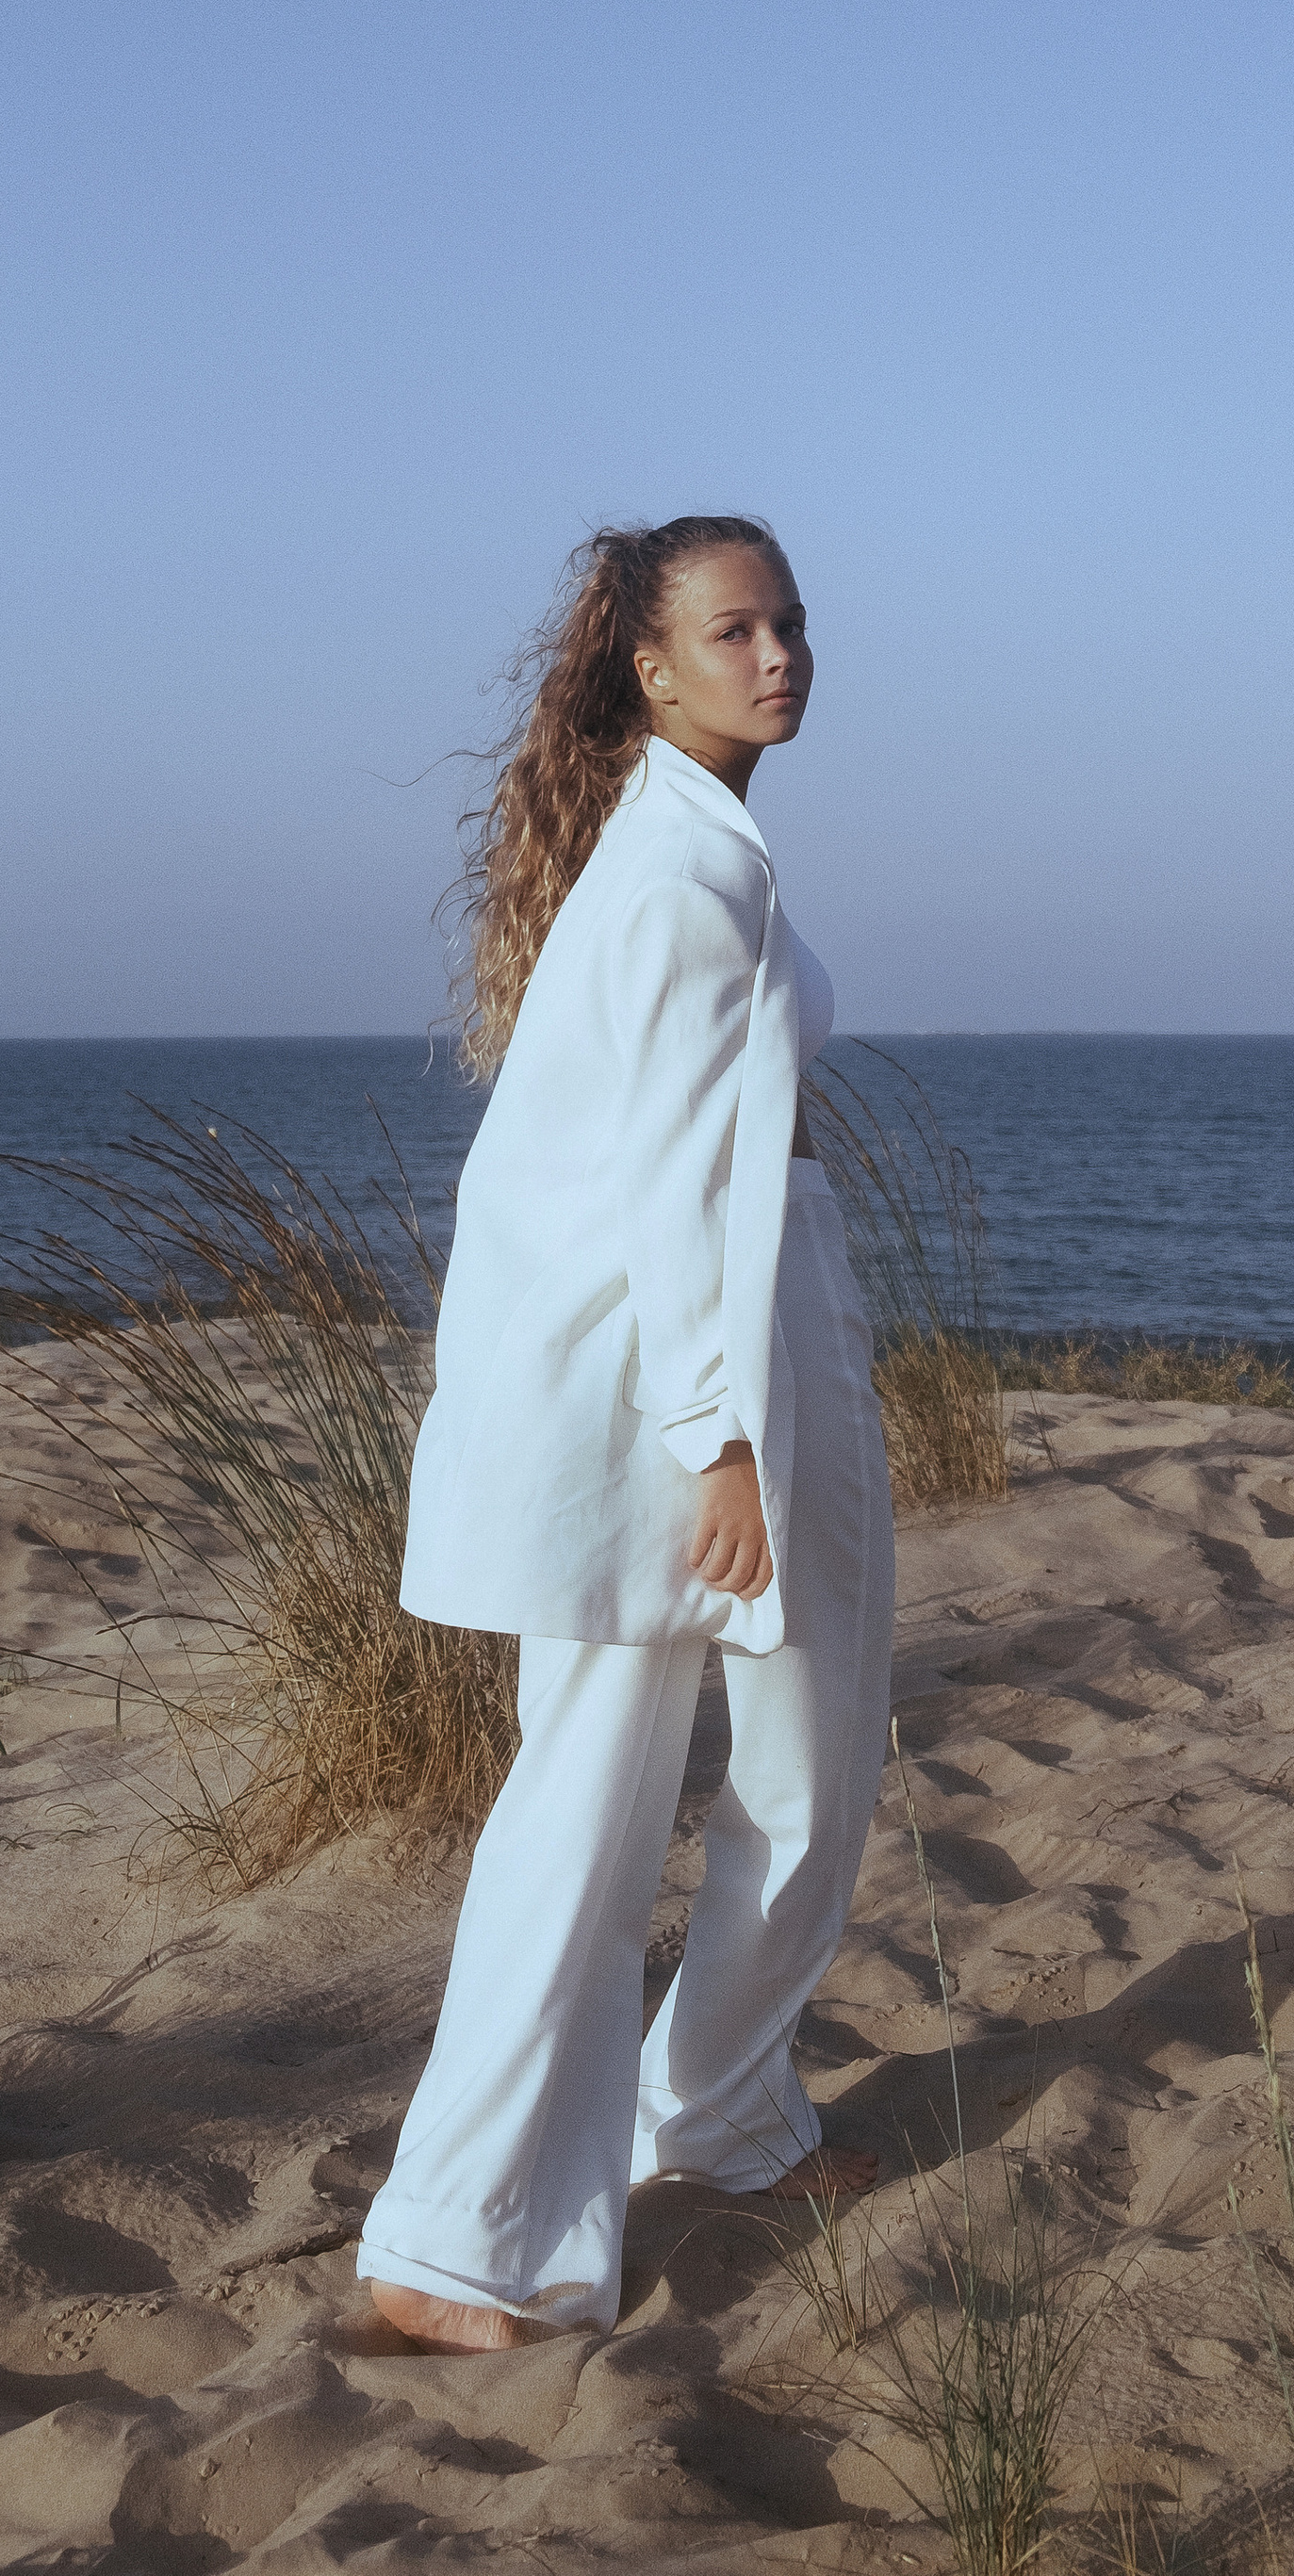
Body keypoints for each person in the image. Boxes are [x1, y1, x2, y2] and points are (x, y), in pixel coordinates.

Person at [360, 515, 895, 2352]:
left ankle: (718, 2114)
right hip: (684, 1388)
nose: (777, 655)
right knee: (597, 1811)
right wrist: (717, 1441)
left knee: (800, 1759)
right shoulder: (677, 882)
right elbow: (671, 1196)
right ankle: (456, 2248)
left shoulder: (694, 855)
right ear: (650, 670)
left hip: (738, 1348)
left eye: (791, 623)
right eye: (731, 630)